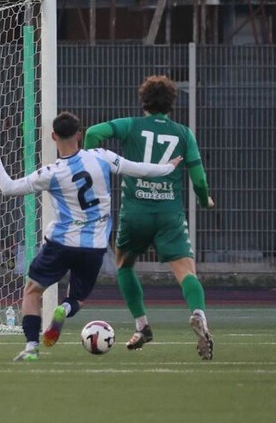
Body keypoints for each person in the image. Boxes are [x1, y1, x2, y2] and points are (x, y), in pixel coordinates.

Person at [0, 111, 181, 362]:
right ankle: (65, 308)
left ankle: (32, 347)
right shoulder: (102, 157)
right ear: (79, 134)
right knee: (77, 298)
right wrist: (168, 167)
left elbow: (9, 188)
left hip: (61, 244)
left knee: (32, 292)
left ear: (53, 136)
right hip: (94, 246)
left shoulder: (51, 172)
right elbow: (139, 169)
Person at [83, 74, 216, 360]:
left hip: (135, 213)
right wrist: (204, 199)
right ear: (171, 103)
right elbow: (199, 179)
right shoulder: (183, 133)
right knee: (186, 272)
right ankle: (198, 314)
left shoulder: (131, 125)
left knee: (124, 265)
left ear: (143, 101)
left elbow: (93, 132)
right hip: (169, 214)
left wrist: (92, 169)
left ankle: (142, 325)